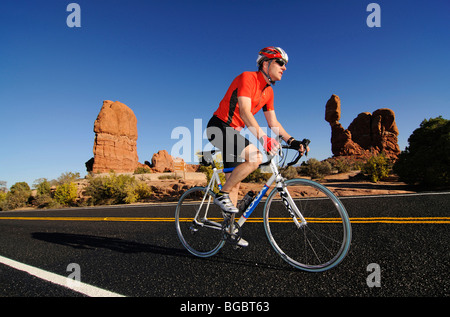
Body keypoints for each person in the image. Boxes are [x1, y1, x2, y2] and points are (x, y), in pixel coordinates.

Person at [206, 46, 307, 217]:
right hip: (218, 127)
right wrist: (264, 139)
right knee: (255, 158)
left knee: (235, 182)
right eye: (280, 62)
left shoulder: (269, 92)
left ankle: (229, 230)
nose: (285, 68)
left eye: (285, 64)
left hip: (233, 134)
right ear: (266, 64)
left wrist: (292, 140)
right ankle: (221, 195)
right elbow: (245, 112)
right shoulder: (248, 77)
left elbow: (273, 122)